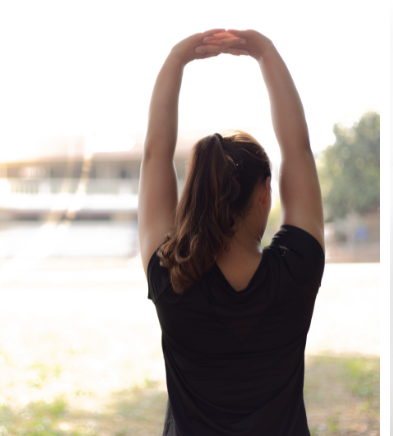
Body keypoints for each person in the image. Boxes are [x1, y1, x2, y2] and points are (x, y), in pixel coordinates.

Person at [137, 28, 326, 435]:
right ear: (264, 194)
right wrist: (265, 51)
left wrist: (176, 58)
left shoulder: (171, 279)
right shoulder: (297, 270)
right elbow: (298, 148)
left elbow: (154, 155)